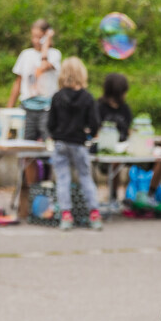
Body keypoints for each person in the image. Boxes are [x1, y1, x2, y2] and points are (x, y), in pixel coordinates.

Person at [47, 57, 103, 231]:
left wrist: (55, 134)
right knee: (85, 177)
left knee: (63, 179)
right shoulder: (87, 97)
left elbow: (50, 123)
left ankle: (66, 215)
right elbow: (94, 123)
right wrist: (90, 134)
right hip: (79, 143)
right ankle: (94, 213)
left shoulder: (57, 96)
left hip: (60, 143)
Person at [96, 72, 161, 208]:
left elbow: (130, 130)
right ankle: (113, 197)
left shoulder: (125, 108)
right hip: (109, 150)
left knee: (160, 160)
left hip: (127, 147)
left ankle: (150, 195)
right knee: (115, 161)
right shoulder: (99, 107)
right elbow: (96, 131)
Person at [7, 19, 62, 142]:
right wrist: (9, 109)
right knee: (24, 142)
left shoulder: (54, 54)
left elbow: (43, 66)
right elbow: (18, 82)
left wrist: (47, 43)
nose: (36, 41)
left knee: (48, 141)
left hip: (47, 108)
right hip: (27, 107)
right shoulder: (25, 54)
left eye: (40, 37)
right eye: (34, 37)